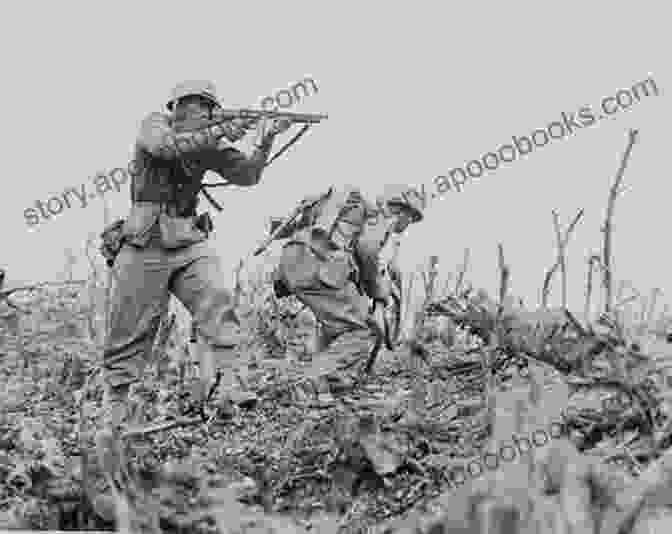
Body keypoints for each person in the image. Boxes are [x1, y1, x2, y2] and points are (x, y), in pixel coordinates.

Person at [96, 80, 292, 459]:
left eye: (207, 106)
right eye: (195, 106)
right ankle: (115, 412)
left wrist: (265, 140)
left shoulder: (210, 143)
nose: (201, 112)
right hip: (144, 240)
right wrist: (219, 131)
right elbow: (164, 148)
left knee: (216, 301)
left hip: (187, 238)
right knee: (130, 327)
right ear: (178, 107)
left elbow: (248, 175)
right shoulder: (155, 124)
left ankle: (230, 384)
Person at [269, 185, 425, 395]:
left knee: (337, 325)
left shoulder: (347, 217)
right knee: (364, 330)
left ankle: (328, 378)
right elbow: (367, 249)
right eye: (411, 217)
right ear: (400, 210)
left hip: (292, 263)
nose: (409, 224)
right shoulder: (381, 217)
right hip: (317, 265)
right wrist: (378, 292)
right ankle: (311, 379)